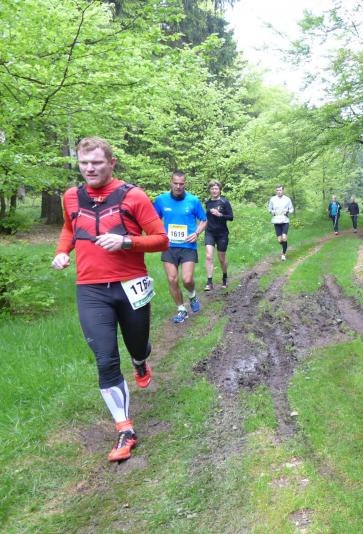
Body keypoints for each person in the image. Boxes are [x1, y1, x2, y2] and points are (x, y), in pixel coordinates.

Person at [51, 137, 168, 462]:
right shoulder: (71, 196)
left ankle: (140, 360)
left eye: (97, 163)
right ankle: (125, 429)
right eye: (84, 163)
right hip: (90, 289)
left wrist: (127, 242)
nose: (89, 169)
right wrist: (62, 252)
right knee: (105, 358)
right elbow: (69, 228)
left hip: (130, 285)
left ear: (112, 163)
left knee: (137, 345)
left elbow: (161, 239)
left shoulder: (133, 196)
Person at [154, 171, 207, 324]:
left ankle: (192, 295)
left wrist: (196, 233)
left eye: (181, 184)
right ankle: (181, 309)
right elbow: (153, 219)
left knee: (187, 279)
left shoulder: (193, 200)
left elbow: (204, 220)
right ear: (170, 182)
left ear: (185, 183)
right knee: (172, 279)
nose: (178, 186)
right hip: (169, 246)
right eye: (175, 183)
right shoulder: (161, 200)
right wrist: (159, 234)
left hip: (188, 245)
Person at [203, 179, 234, 291]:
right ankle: (209, 282)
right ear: (209, 190)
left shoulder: (224, 202)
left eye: (216, 189)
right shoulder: (207, 203)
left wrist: (220, 214)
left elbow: (231, 217)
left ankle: (224, 277)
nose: (214, 191)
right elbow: (205, 217)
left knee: (221, 258)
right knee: (208, 256)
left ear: (220, 190)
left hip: (222, 234)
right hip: (209, 232)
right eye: (212, 189)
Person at [268, 184, 294, 261]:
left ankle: (283, 254)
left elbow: (292, 209)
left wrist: (287, 211)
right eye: (277, 190)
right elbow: (269, 209)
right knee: (280, 240)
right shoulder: (272, 199)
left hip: (285, 221)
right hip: (276, 221)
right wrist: (273, 212)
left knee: (284, 237)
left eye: (280, 190)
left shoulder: (287, 199)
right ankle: (285, 246)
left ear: (283, 190)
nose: (279, 191)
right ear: (276, 191)